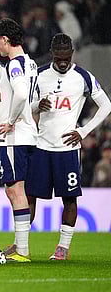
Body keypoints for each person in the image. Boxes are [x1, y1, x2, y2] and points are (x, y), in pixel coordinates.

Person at [28, 33, 111, 260]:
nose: (62, 62)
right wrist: (36, 106)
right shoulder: (39, 74)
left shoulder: (83, 77)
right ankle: (21, 246)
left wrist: (83, 131)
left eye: (66, 57)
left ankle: (62, 248)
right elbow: (23, 106)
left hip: (68, 149)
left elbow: (106, 105)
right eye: (58, 58)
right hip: (42, 145)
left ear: (72, 54)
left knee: (70, 199)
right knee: (30, 196)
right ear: (52, 54)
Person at [0, 18, 38, 262]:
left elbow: (19, 94)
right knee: (16, 190)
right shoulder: (29, 63)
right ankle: (20, 246)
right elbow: (17, 91)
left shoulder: (15, 64)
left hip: (14, 137)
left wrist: (9, 119)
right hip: (27, 135)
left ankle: (23, 251)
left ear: (5, 40)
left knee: (15, 190)